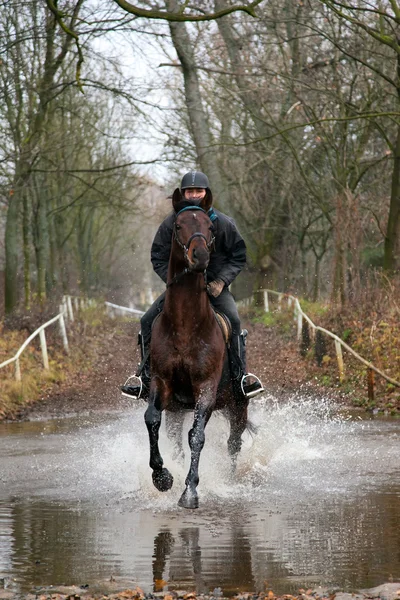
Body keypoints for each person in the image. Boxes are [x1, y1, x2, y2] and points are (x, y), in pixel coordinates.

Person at [121, 170, 264, 400]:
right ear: (183, 193)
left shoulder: (224, 223)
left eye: (199, 191)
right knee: (147, 320)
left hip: (215, 288)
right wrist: (171, 283)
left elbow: (238, 256)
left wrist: (221, 281)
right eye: (190, 191)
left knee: (234, 321)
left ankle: (241, 378)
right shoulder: (171, 224)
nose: (194, 195)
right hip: (180, 291)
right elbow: (158, 255)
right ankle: (144, 378)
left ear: (206, 194)